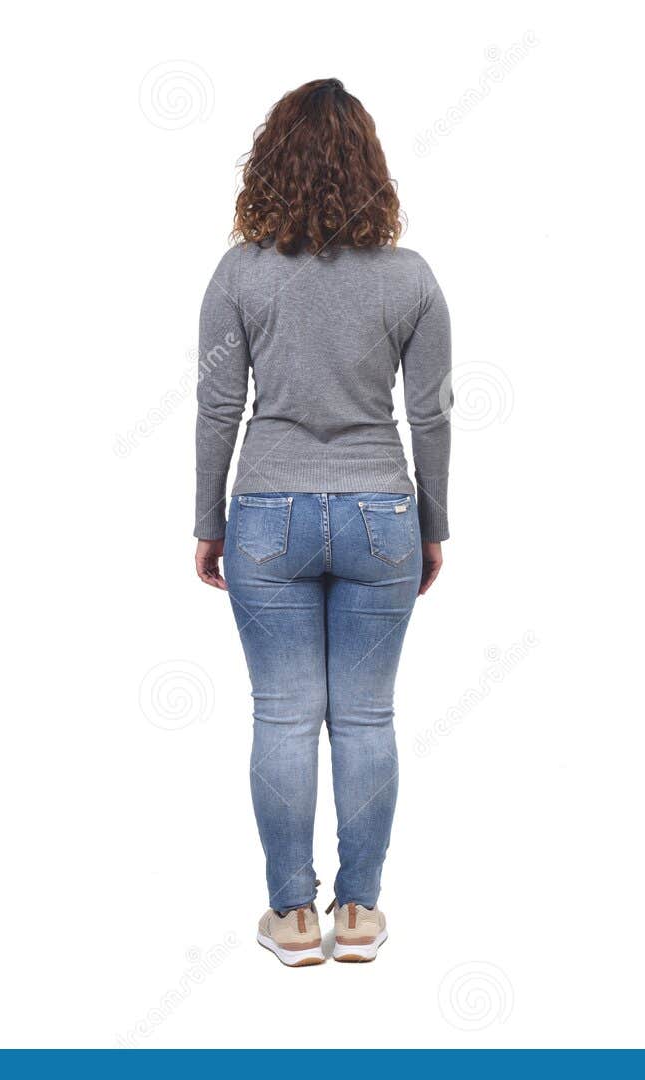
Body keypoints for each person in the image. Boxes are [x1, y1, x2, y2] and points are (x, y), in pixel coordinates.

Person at [193, 78, 452, 966]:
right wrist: (432, 521)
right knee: (367, 717)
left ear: (272, 162)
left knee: (284, 713)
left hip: (266, 510)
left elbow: (217, 407)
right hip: (382, 507)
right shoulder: (410, 279)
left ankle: (292, 916)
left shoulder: (240, 273)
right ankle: (362, 913)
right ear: (370, 168)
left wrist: (206, 518)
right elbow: (434, 416)